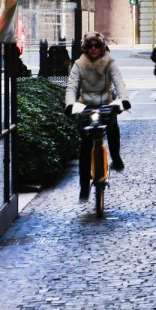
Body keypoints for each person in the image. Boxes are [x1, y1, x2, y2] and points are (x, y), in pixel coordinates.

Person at [65, 33, 132, 200]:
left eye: (96, 45)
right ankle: (84, 187)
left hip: (105, 104)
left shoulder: (110, 63)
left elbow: (119, 82)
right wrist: (70, 104)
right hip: (85, 106)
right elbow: (72, 86)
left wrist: (123, 100)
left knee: (113, 128)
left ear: (102, 47)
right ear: (85, 48)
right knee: (85, 147)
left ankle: (116, 158)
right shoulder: (79, 65)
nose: (93, 49)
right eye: (90, 46)